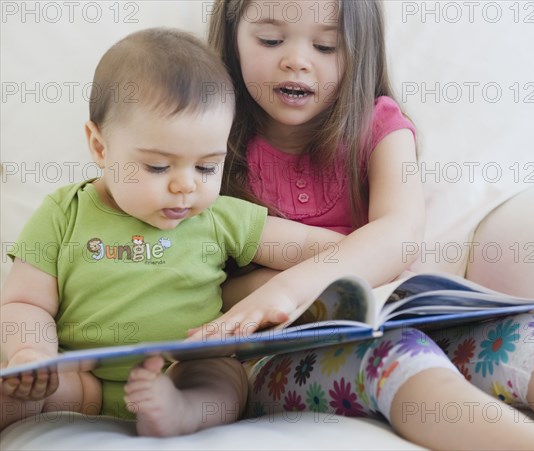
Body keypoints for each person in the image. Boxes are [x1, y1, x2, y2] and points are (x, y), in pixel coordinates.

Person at [200, 1, 534, 449]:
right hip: (276, 357)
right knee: (399, 358)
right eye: (270, 41)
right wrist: (296, 285)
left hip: (396, 315)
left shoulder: (378, 123)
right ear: (233, 39)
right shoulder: (205, 136)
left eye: (326, 45)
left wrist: (290, 282)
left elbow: (398, 232)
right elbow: (206, 281)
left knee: (520, 338)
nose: (296, 59)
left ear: (359, 50)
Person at [0, 27, 346, 437]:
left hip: (186, 369)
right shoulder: (64, 212)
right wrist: (30, 352)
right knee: (23, 389)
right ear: (100, 147)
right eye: (159, 167)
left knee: (224, 381)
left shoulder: (217, 216)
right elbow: (25, 302)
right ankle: (32, 398)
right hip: (82, 376)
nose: (186, 186)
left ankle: (176, 410)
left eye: (206, 167)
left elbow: (304, 244)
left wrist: (365, 254)